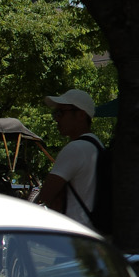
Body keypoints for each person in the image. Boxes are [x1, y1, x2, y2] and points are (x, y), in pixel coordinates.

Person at [39, 88, 103, 227]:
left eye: (61, 113)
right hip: (95, 232)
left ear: (81, 115)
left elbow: (45, 195)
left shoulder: (75, 149)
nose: (57, 119)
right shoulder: (97, 146)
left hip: (75, 235)